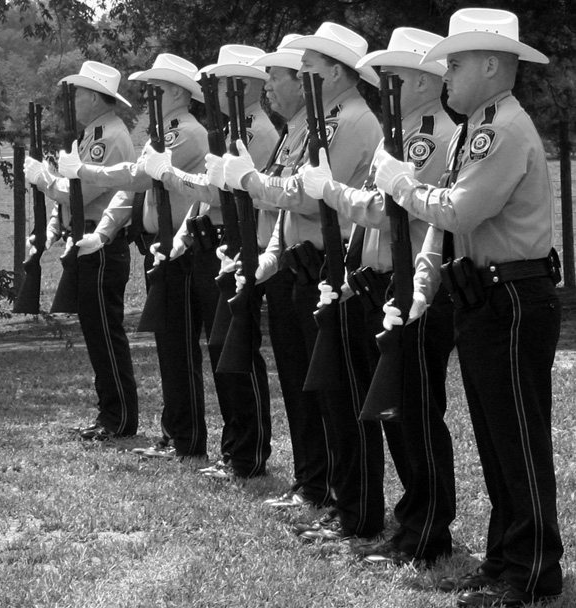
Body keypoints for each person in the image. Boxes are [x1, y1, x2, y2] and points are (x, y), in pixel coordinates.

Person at [374, 8, 562, 607]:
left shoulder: (500, 129)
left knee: (516, 436)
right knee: (493, 433)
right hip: (484, 295)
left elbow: (457, 211)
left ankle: (532, 568)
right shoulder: (478, 125)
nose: (445, 73)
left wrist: (400, 180)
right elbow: (449, 231)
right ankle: (505, 556)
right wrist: (423, 291)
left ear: (490, 64)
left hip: (510, 297)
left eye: (454, 63)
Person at [221, 23, 385, 539]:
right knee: (308, 387)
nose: (271, 82)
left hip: (331, 270)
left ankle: (350, 502)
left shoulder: (349, 120)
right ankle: (322, 485)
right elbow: (295, 199)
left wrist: (250, 182)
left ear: (334, 71)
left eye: (302, 68)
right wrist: (269, 256)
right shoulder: (314, 123)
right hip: (302, 264)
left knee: (337, 392)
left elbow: (310, 197)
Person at [301, 28, 457, 565]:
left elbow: (391, 209)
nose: (383, 81)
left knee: (414, 413)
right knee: (394, 412)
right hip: (377, 284)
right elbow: (373, 217)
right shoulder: (401, 132)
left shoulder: (429, 137)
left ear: (421, 80)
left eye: (394, 74)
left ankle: (425, 531)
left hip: (412, 290)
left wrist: (331, 191)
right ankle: (411, 524)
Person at [58, 53, 214, 461]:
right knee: (169, 347)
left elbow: (139, 176)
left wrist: (83, 175)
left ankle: (186, 438)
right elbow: (132, 193)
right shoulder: (164, 132)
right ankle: (175, 432)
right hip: (157, 248)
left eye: (158, 90)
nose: (150, 98)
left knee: (179, 348)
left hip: (178, 249)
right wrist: (105, 230)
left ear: (179, 93)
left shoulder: (186, 133)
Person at [142, 45, 278, 479]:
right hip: (215, 240)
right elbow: (212, 193)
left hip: (239, 242)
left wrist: (168, 174)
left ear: (248, 85)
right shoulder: (236, 127)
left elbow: (222, 191)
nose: (216, 89)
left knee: (235, 347)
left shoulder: (256, 132)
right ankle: (235, 449)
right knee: (223, 347)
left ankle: (247, 452)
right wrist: (183, 234)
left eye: (224, 81)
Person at [23, 61, 140, 441]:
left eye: (79, 93)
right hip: (86, 240)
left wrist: (42, 178)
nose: (74, 99)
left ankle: (118, 417)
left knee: (105, 333)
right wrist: (52, 230)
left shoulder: (109, 137)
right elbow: (70, 201)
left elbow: (77, 192)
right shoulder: (94, 135)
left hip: (100, 245)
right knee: (96, 333)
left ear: (93, 96)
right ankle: (109, 413)